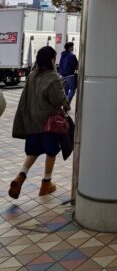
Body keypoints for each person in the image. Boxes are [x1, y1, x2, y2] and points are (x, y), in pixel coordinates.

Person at [9, 46, 69, 199]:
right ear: (51, 60)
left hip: (32, 122)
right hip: (48, 123)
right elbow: (58, 100)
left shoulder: (32, 75)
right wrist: (66, 100)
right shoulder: (52, 77)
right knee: (51, 151)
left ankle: (20, 177)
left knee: (34, 151)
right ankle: (46, 183)